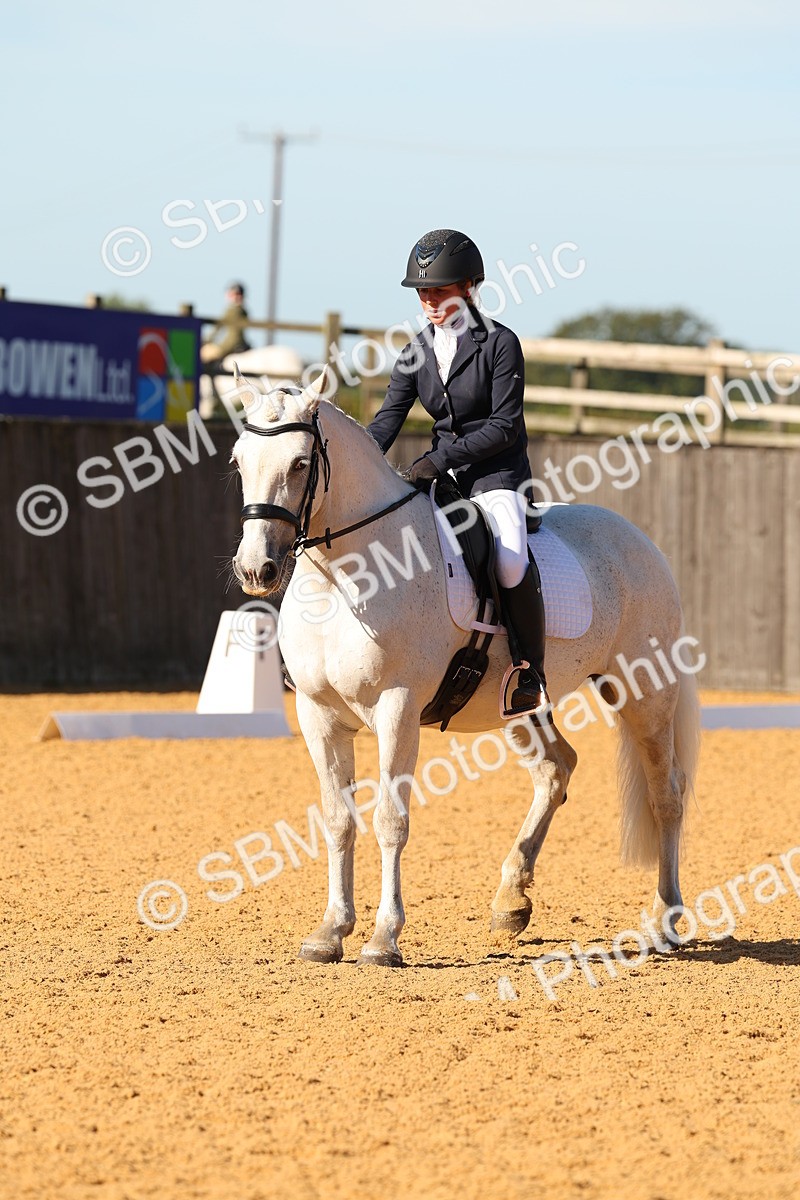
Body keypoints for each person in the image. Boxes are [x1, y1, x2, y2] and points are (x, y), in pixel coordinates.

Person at [367, 228, 549, 717]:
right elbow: (389, 417)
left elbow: (504, 426)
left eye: (439, 290)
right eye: (423, 291)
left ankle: (530, 670)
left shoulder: (500, 344)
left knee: (510, 561)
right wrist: (359, 454)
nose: (428, 299)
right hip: (441, 479)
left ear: (469, 287)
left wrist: (438, 460)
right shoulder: (415, 349)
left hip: (496, 477)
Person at [200, 282, 251, 373]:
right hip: (241, 343)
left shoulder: (232, 310)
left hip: (229, 344)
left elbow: (219, 328)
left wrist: (207, 340)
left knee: (204, 354)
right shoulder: (243, 310)